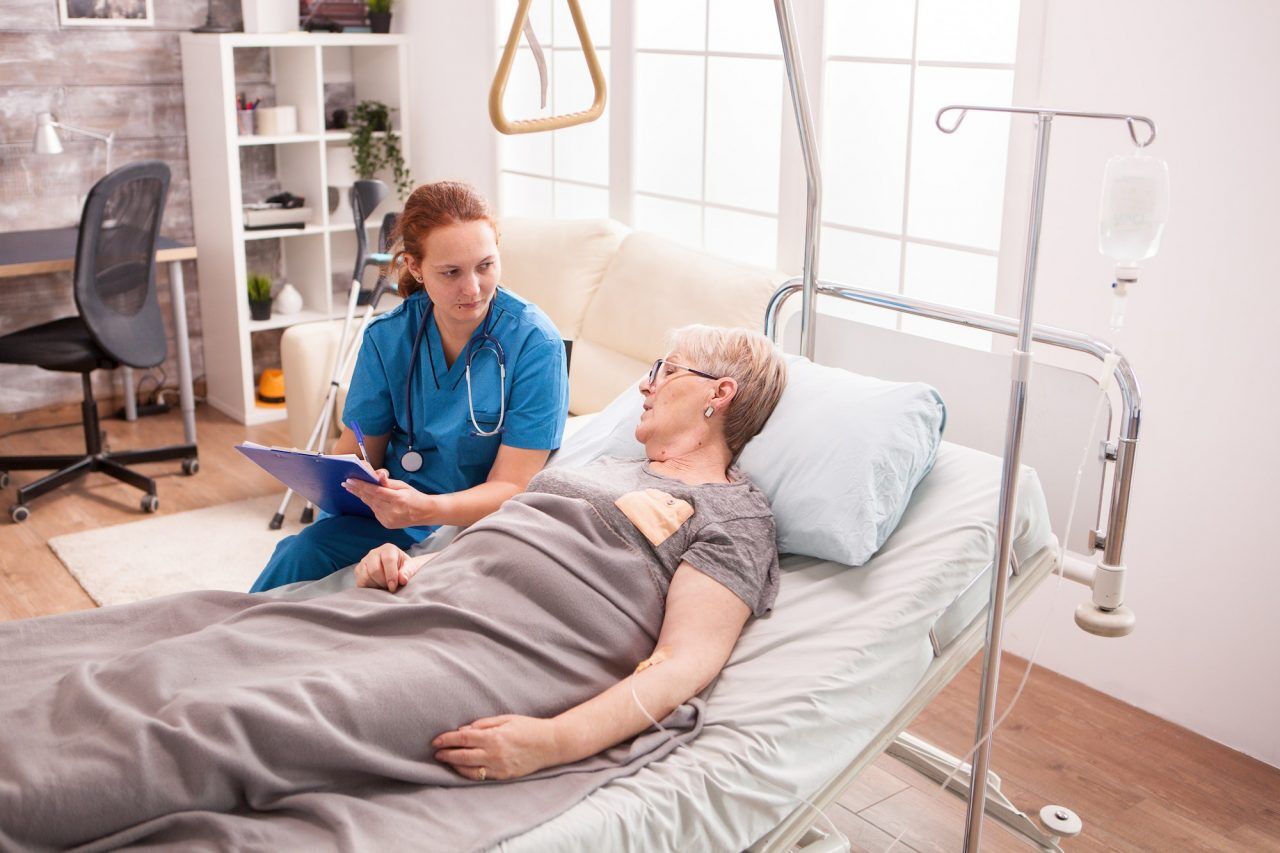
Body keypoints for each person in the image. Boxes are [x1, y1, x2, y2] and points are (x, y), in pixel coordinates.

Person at [0, 326, 788, 850]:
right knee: (191, 640)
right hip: (427, 604)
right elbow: (500, 538)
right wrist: (418, 565)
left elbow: (685, 662)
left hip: (504, 655)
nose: (647, 384)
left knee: (230, 716)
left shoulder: (732, 514)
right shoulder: (603, 467)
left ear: (718, 394)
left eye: (666, 371)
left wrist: (549, 742)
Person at [250, 181, 569, 592]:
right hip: (390, 517)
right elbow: (359, 447)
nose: (472, 289)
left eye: (485, 266)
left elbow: (514, 485)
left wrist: (423, 509)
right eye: (451, 272)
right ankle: (224, 644)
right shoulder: (389, 338)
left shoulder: (534, 344)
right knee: (301, 553)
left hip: (477, 523)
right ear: (415, 267)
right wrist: (344, 479)